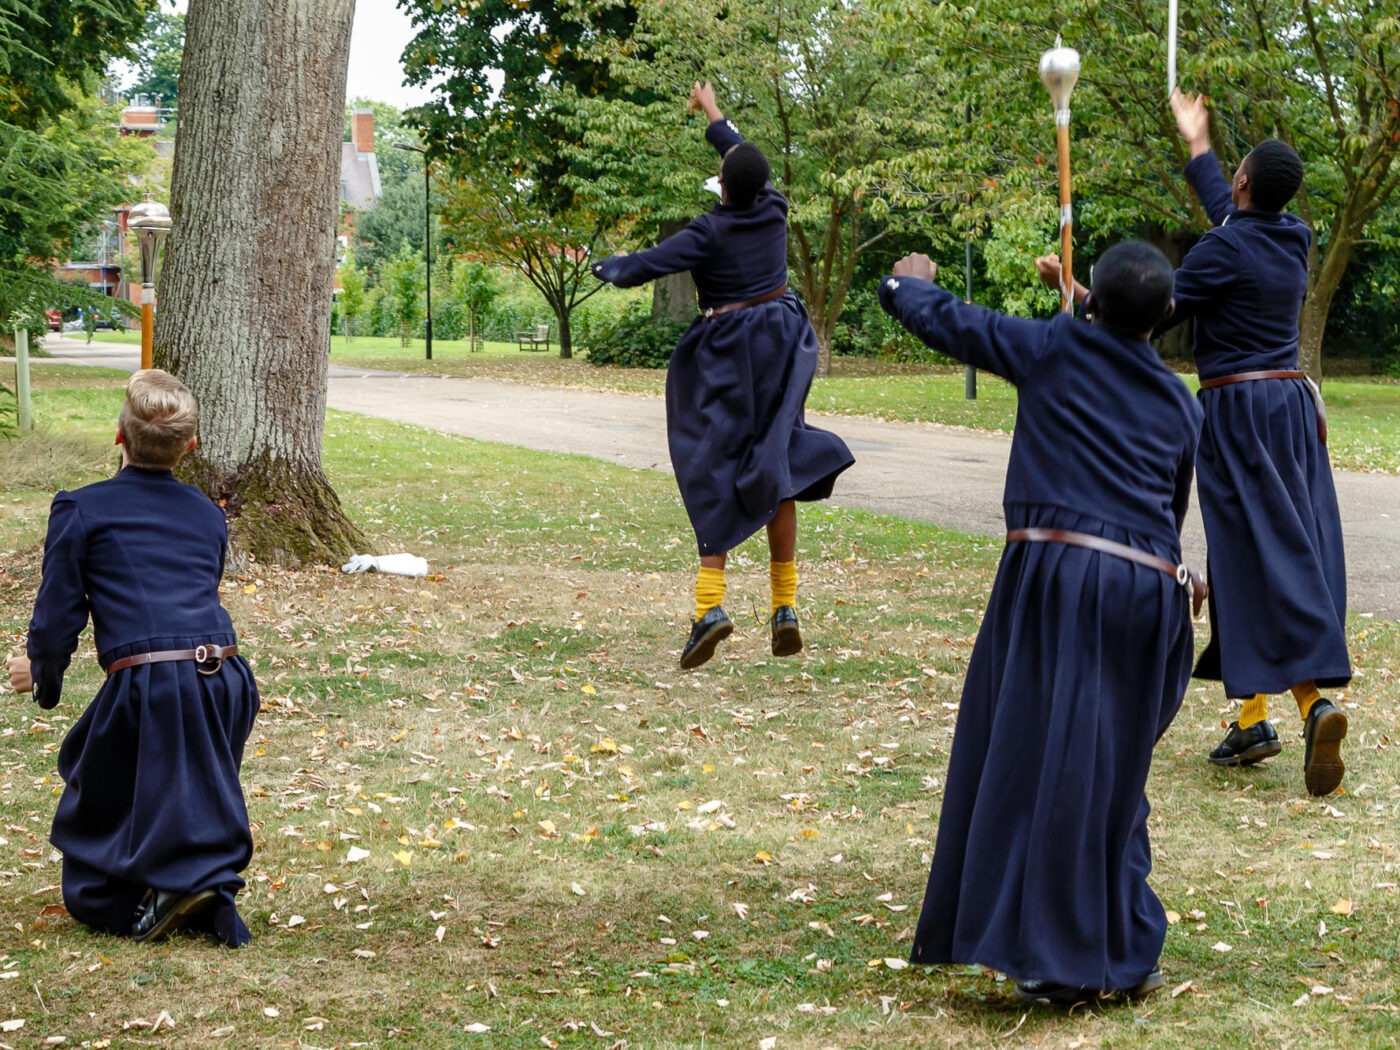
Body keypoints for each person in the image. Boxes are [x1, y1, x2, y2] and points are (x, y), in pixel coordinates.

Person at [881, 242, 1203, 1004]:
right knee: (1109, 771)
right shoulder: (1181, 401)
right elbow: (1174, 507)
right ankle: (1121, 940)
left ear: (1092, 306)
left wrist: (906, 283)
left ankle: (1063, 958)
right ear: (1165, 320)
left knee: (1054, 762)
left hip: (1066, 580)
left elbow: (957, 323)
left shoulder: (1055, 347)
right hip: (1153, 593)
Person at [1043, 94, 1353, 795]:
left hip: (1238, 410)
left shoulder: (1220, 252)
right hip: (1292, 408)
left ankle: (1311, 704)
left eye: (1232, 172)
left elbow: (1147, 312)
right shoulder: (1292, 235)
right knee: (1255, 549)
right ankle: (1251, 717)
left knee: (1255, 554)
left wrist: (1080, 292)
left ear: (1244, 184)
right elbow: (1231, 215)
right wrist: (1200, 146)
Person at [591, 81, 853, 669]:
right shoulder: (776, 206)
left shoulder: (708, 230)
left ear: (723, 190)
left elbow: (647, 266)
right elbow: (738, 148)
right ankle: (784, 606)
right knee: (776, 464)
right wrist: (711, 111)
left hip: (731, 353)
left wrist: (607, 267)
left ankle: (709, 606)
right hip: (784, 345)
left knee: (712, 465)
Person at [4, 369, 260, 946]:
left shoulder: (81, 509)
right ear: (190, 446)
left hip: (155, 681)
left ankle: (162, 891)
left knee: (97, 795)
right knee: (180, 783)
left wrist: (41, 677)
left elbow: (57, 615)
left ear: (117, 435)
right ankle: (201, 891)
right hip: (228, 677)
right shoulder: (207, 513)